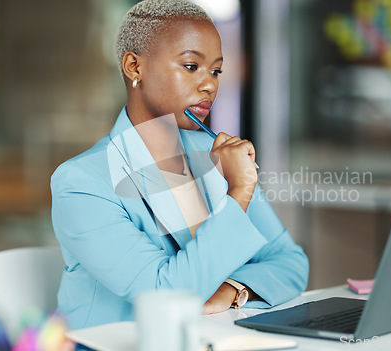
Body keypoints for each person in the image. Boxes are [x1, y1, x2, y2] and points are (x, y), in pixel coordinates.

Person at [51, 0, 308, 330]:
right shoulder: (82, 183)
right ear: (134, 67)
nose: (209, 84)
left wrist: (233, 290)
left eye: (216, 70)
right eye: (191, 66)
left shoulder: (214, 156)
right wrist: (239, 192)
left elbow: (291, 262)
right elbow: (164, 293)